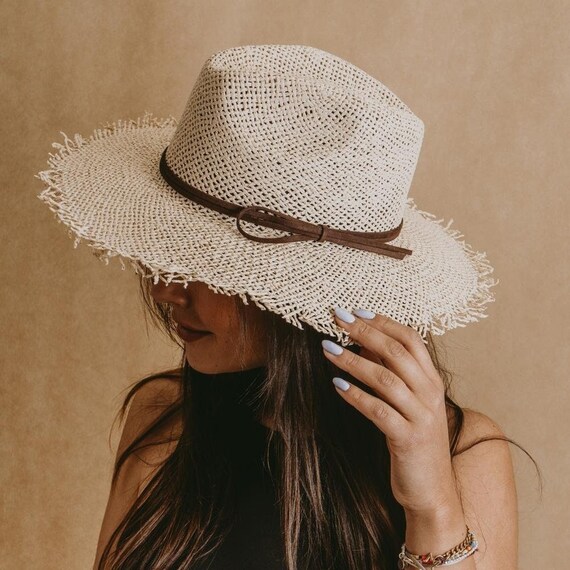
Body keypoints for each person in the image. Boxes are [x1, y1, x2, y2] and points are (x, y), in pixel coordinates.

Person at [36, 44, 525, 569]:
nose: (163, 290)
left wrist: (432, 510)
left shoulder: (465, 457)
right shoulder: (163, 417)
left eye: (205, 267)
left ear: (299, 294)